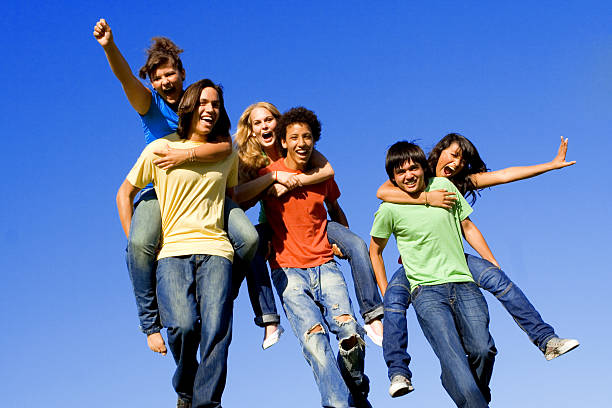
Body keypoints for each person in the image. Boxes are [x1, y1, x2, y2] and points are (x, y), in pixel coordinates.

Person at [93, 19, 276, 351]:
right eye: (157, 77)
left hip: (208, 194)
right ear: (151, 81)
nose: (165, 81)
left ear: (182, 74)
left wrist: (187, 155)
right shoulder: (150, 105)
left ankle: (221, 288)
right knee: (138, 246)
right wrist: (109, 46)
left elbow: (224, 146)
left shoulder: (199, 106)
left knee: (248, 239)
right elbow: (125, 79)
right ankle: (151, 321)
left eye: (170, 74)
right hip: (161, 192)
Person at [376, 133, 578, 378]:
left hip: (453, 259)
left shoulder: (458, 183)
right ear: (439, 152)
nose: (457, 163)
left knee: (498, 279)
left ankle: (546, 339)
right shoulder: (415, 171)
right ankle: (398, 371)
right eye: (453, 155)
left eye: (462, 160)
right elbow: (383, 192)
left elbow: (505, 176)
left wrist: (551, 164)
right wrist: (428, 197)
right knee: (393, 302)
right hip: (415, 266)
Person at [116, 79, 236, 408]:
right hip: (171, 252)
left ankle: (206, 402)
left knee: (216, 332)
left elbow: (233, 196)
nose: (210, 109)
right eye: (203, 103)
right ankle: (186, 388)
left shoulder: (226, 152)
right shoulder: (159, 149)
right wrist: (135, 239)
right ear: (188, 106)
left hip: (216, 251)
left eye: (216, 104)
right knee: (183, 326)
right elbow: (124, 192)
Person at [233, 102, 384, 345]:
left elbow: (328, 172)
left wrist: (294, 181)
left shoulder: (299, 145)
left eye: (268, 119)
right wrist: (272, 181)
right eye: (257, 123)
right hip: (276, 226)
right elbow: (240, 198)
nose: (264, 126)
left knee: (355, 244)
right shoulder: (253, 162)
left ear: (278, 122)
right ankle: (269, 318)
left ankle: (373, 314)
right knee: (250, 244)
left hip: (315, 221)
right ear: (251, 131)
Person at [370, 141, 497, 407]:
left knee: (483, 350)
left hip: (462, 281)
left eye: (413, 168)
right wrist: (385, 289)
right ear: (393, 178)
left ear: (423, 168)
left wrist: (491, 260)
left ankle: (459, 387)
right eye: (400, 172)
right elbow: (375, 251)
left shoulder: (444, 188)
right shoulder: (390, 208)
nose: (408, 175)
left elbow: (469, 224)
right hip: (426, 290)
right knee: (454, 359)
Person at [261, 107, 371, 407]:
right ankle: (339, 404)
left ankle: (356, 386)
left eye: (307, 137)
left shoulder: (320, 175)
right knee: (315, 342)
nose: (301, 142)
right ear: (282, 142)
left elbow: (335, 210)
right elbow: (239, 196)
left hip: (325, 264)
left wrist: (342, 240)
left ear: (314, 141)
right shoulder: (267, 176)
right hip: (288, 271)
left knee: (350, 333)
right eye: (294, 137)